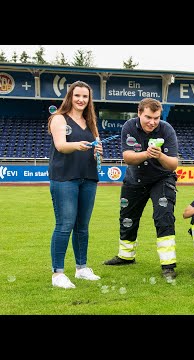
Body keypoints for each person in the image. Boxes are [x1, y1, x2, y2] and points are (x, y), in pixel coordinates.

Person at [103, 98, 179, 281]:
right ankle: (126, 256)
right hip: (134, 179)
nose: (152, 122)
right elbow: (127, 157)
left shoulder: (167, 129)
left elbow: (173, 164)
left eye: (156, 117)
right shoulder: (129, 127)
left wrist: (159, 156)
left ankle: (168, 264)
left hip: (162, 178)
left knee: (164, 215)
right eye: (148, 117)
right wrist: (146, 154)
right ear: (139, 113)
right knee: (127, 217)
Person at [48, 80, 103, 289]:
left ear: (89, 100)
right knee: (64, 225)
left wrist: (99, 152)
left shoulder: (91, 123)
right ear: (70, 96)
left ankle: (81, 268)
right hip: (64, 178)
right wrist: (78, 146)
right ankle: (58, 273)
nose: (81, 100)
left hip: (88, 177)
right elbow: (61, 146)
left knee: (82, 227)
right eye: (77, 95)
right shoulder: (59, 118)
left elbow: (97, 151)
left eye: (85, 96)